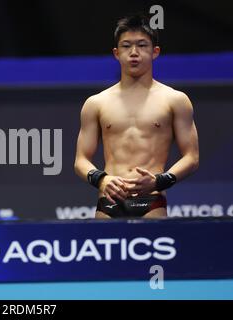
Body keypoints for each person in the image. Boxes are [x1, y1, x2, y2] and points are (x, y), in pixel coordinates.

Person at [74, 14, 199, 218]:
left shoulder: (175, 100)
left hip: (152, 199)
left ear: (155, 51)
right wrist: (102, 180)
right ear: (116, 53)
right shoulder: (96, 103)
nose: (134, 53)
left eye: (142, 45)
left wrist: (159, 181)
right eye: (126, 46)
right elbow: (80, 160)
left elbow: (192, 157)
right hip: (109, 200)